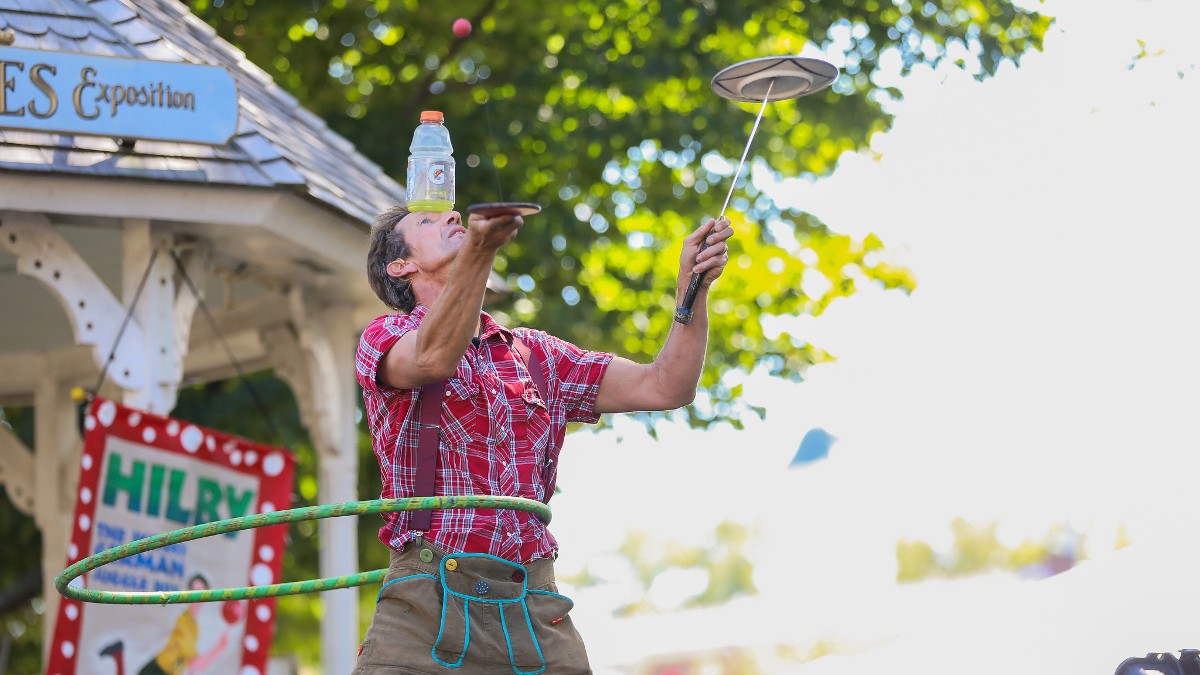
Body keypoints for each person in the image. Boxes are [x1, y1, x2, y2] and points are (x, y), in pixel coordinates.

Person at [352, 204, 732, 674]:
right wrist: (479, 251)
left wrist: (690, 289)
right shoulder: (386, 334)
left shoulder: (539, 355)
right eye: (429, 223)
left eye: (454, 217)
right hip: (425, 608)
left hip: (533, 605)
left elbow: (666, 386)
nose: (451, 218)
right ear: (400, 266)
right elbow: (433, 358)